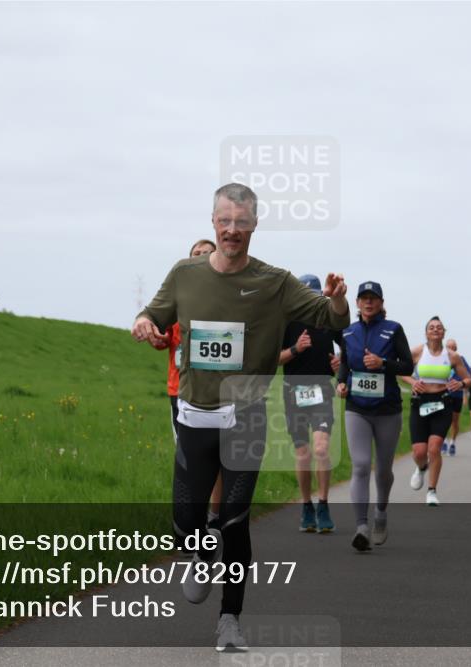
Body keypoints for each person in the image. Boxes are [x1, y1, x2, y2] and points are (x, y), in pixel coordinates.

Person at [132, 183, 350, 651]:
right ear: (213, 222)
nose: (232, 231)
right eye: (225, 221)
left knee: (234, 519)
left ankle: (230, 619)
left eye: (242, 222)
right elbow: (151, 313)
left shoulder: (275, 281)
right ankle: (196, 552)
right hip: (194, 415)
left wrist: (334, 299)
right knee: (185, 516)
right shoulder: (185, 274)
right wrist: (144, 324)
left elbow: (332, 320)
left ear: (254, 225)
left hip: (245, 417)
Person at [335, 281, 413, 550]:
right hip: (357, 408)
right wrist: (341, 382)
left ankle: (381, 514)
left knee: (382, 470)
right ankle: (361, 527)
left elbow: (407, 365)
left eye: (373, 298)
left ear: (381, 303)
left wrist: (383, 364)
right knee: (359, 465)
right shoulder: (348, 332)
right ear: (357, 303)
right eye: (364, 298)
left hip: (387, 410)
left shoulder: (393, 330)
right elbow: (345, 363)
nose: (368, 303)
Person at [151, 239, 221, 535]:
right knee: (188, 457)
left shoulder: (226, 298)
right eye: (196, 255)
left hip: (219, 392)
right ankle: (190, 525)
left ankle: (215, 516)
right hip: (180, 390)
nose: (201, 258)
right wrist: (156, 337)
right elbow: (162, 335)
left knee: (216, 458)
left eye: (207, 254)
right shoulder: (179, 296)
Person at [279, 274, 344, 534]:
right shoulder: (287, 323)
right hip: (293, 392)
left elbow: (348, 347)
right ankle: (306, 505)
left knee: (321, 449)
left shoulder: (329, 321)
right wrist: (296, 349)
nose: (312, 300)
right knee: (303, 453)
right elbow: (274, 359)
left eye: (316, 295)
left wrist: (341, 364)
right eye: (307, 295)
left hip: (321, 391)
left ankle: (324, 504)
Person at [402, 317, 471, 506]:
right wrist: (413, 382)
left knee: (434, 448)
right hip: (420, 402)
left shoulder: (452, 356)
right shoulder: (418, 351)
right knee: (419, 451)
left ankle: (432, 491)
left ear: (443, 332)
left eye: (439, 328)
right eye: (432, 327)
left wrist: (460, 383)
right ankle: (421, 467)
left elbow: (468, 379)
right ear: (426, 332)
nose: (435, 330)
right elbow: (401, 371)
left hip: (442, 403)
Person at [442, 339, 470, 456]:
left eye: (453, 347)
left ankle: (452, 442)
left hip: (457, 394)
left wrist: (463, 391)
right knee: (442, 420)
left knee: (454, 421)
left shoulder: (461, 360)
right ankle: (443, 441)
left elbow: (469, 377)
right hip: (442, 393)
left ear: (456, 348)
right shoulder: (440, 358)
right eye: (448, 347)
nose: (451, 349)